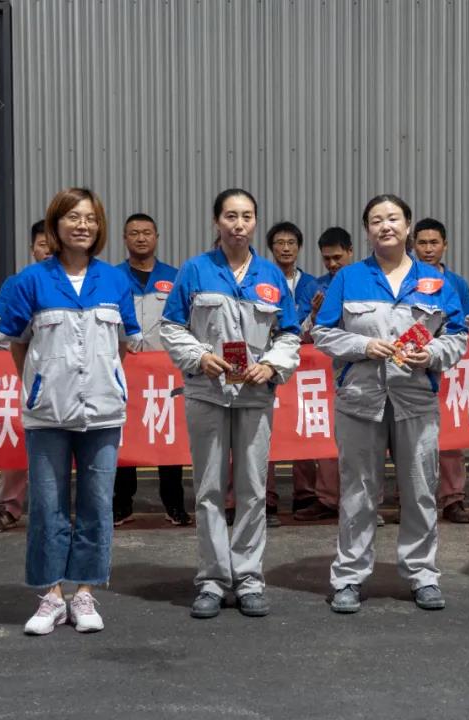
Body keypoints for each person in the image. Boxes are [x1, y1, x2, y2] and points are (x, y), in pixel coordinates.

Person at [0, 187, 141, 635]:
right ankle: (52, 596)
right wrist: (40, 385)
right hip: (48, 414)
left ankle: (85, 593)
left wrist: (105, 379)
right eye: (73, 217)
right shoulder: (31, 281)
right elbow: (18, 343)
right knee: (47, 506)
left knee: (97, 505)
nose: (83, 225)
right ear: (55, 224)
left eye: (91, 218)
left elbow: (123, 343)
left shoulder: (115, 280)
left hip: (103, 412)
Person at [313, 194, 468, 614]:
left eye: (394, 218)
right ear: (367, 230)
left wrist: (431, 354)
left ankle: (422, 575)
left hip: (415, 400)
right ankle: (349, 576)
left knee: (419, 489)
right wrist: (363, 346)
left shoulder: (436, 281)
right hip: (360, 400)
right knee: (358, 491)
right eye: (377, 220)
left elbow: (457, 336)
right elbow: (323, 333)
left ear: (408, 226)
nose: (386, 226)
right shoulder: (348, 278)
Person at [161, 188, 301, 620]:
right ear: (216, 221)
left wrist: (272, 364)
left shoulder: (271, 276)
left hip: (255, 396)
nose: (239, 224)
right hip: (207, 392)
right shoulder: (195, 270)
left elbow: (289, 334)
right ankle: (211, 580)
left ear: (255, 222)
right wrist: (199, 357)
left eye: (246, 216)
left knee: (252, 489)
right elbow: (171, 326)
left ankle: (249, 579)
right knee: (208, 490)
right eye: (230, 216)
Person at [243, 220, 332, 526]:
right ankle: (265, 497)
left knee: (304, 428)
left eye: (291, 243)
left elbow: (318, 330)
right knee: (263, 433)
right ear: (271, 247)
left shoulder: (312, 285)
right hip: (265, 366)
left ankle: (305, 493)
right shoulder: (259, 279)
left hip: (305, 370)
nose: (285, 248)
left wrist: (315, 316)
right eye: (279, 243)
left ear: (299, 247)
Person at [112, 212, 191, 527]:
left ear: (156, 237)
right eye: (134, 233)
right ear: (124, 238)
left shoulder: (174, 277)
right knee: (125, 436)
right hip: (124, 370)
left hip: (165, 373)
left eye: (146, 232)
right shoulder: (112, 277)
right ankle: (121, 504)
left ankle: (174, 504)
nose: (141, 238)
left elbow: (185, 320)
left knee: (168, 436)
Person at [0, 219, 54, 535]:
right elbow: (0, 328)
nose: (48, 250)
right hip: (27, 375)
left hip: (69, 378)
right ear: (32, 248)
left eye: (53, 244)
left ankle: (56, 512)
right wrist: (31, 345)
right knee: (18, 443)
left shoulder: (77, 283)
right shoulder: (18, 283)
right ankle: (8, 507)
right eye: (42, 244)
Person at [412, 217, 469, 524]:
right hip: (412, 370)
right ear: (413, 246)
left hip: (450, 369)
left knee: (450, 437)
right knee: (410, 441)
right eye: (422, 243)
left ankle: (453, 498)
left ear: (445, 246)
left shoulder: (457, 284)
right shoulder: (405, 280)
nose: (428, 249)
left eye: (433, 243)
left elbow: (467, 325)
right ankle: (408, 499)